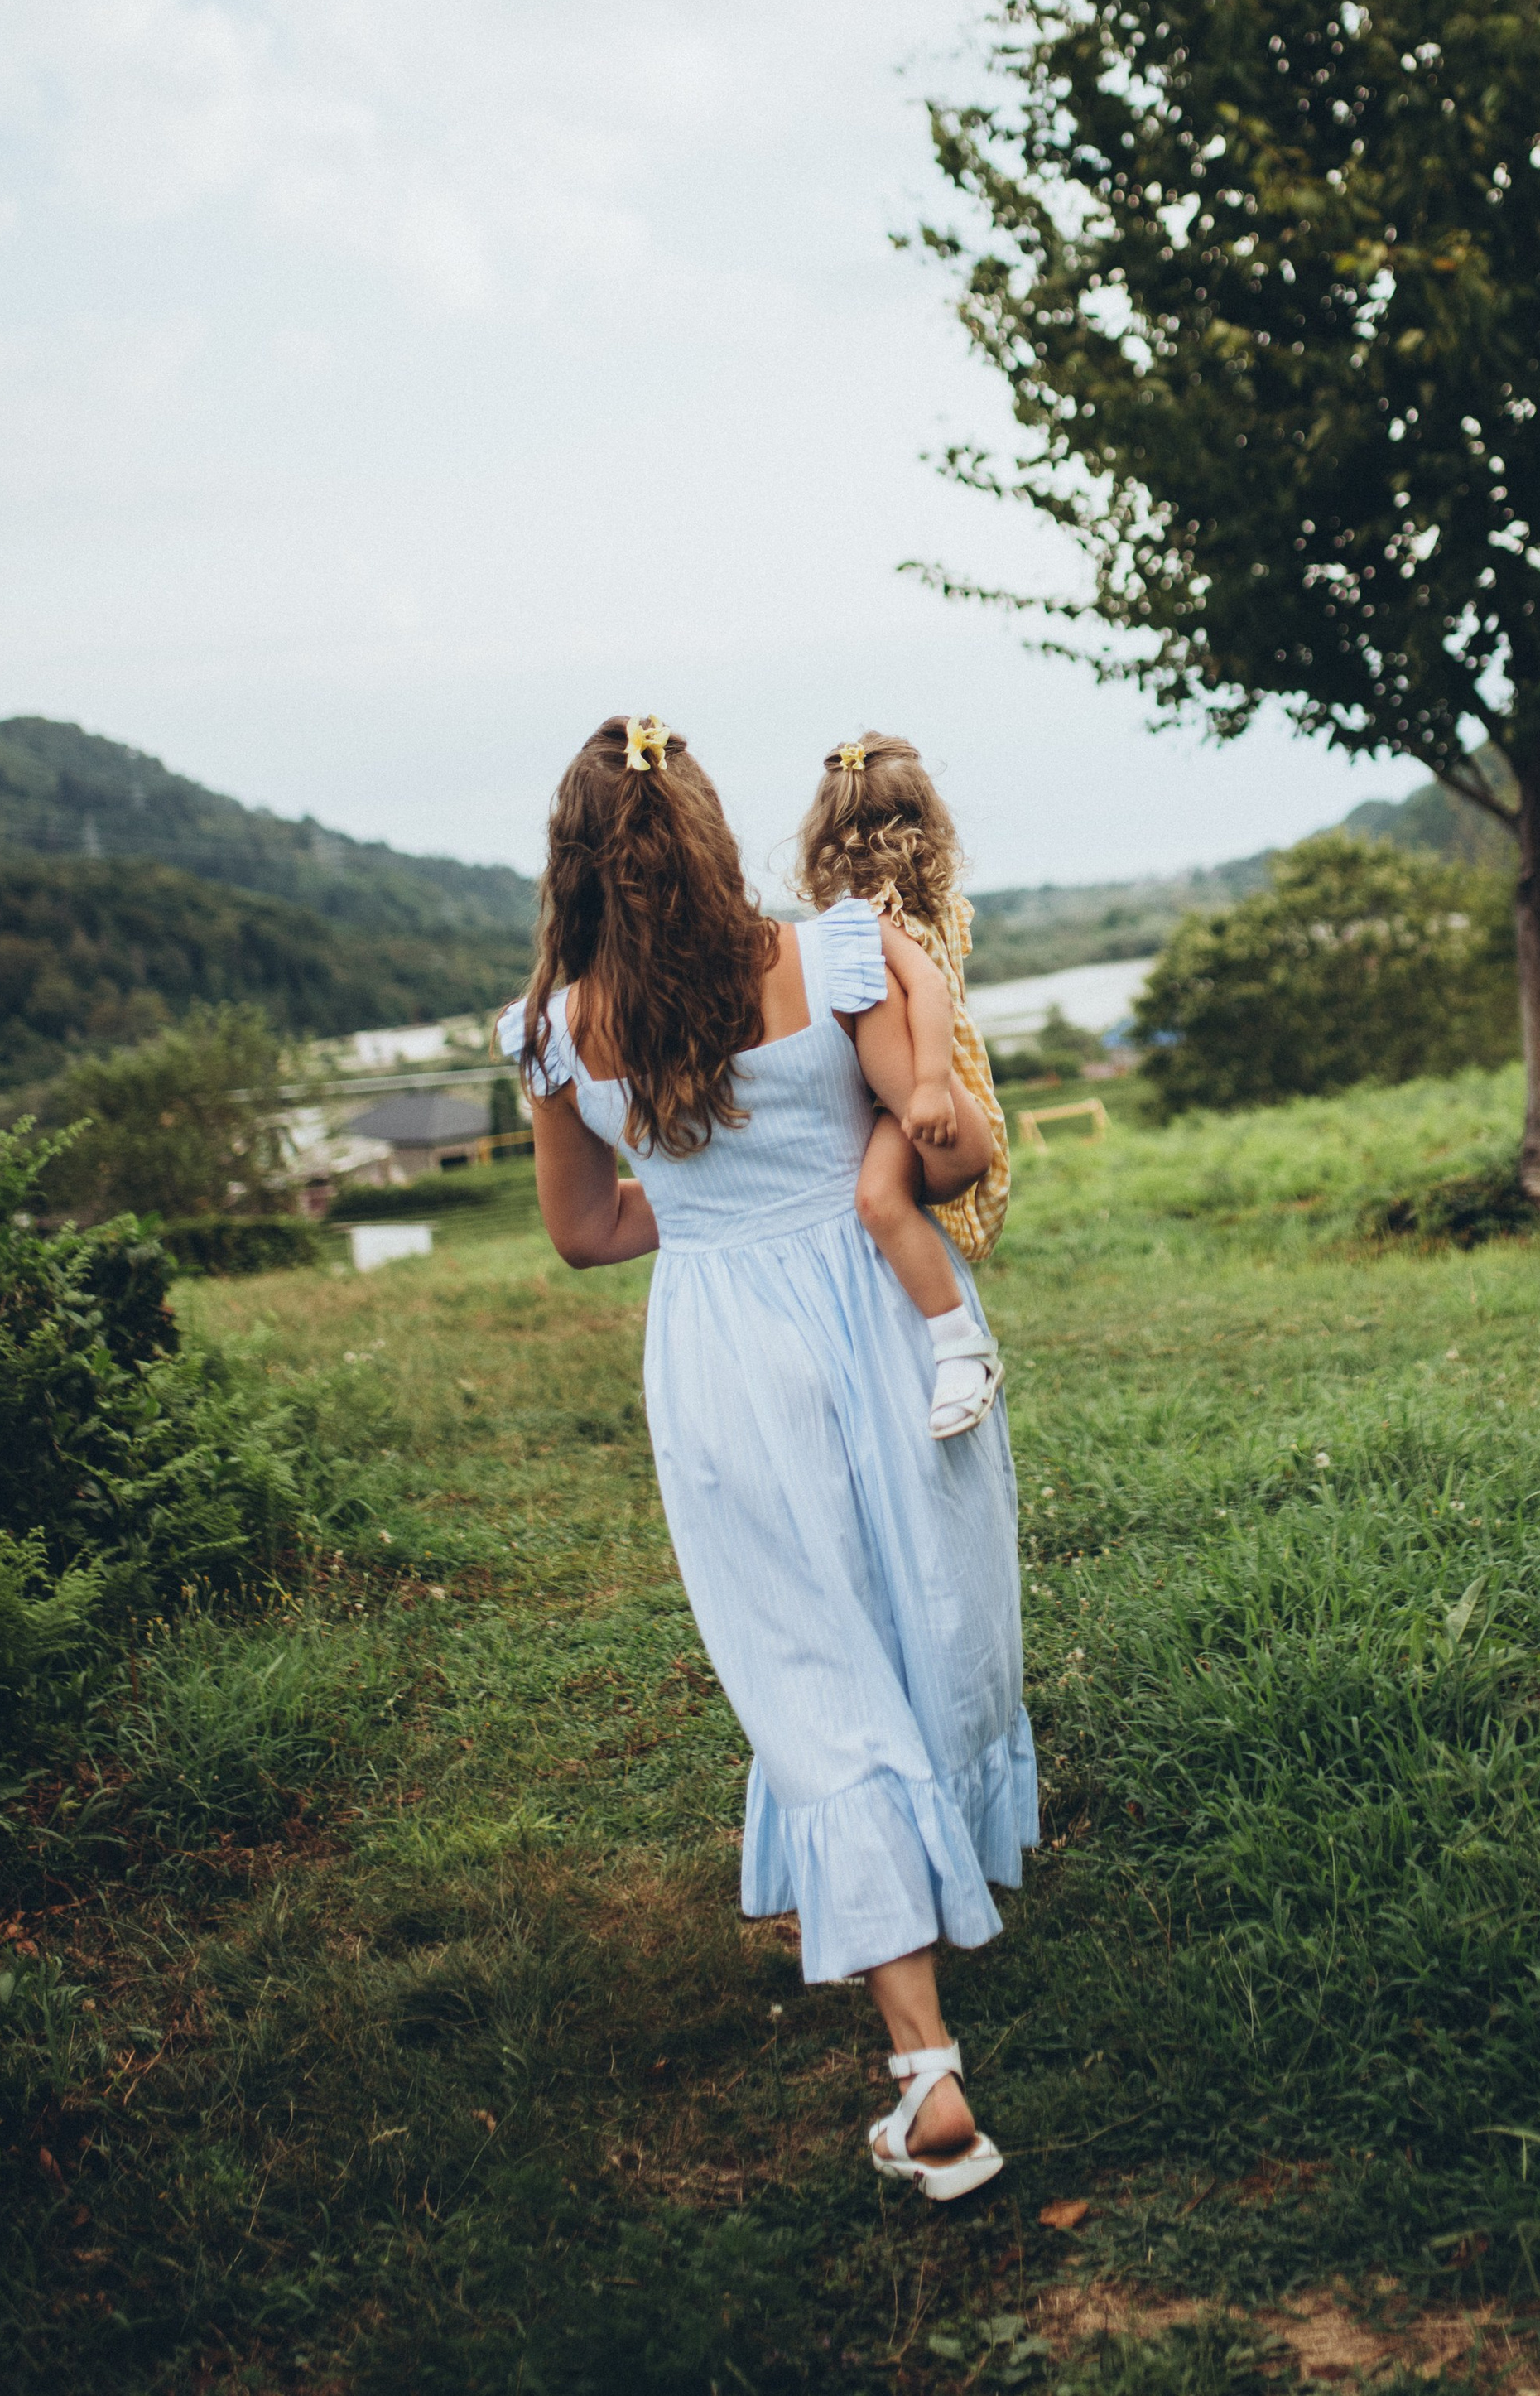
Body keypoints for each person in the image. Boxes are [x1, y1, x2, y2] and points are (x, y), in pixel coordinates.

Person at [500, 713, 1034, 2201]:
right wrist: (859, 1161)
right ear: (714, 834)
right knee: (933, 1603)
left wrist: (711, 1211)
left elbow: (585, 1230)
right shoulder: (839, 956)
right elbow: (951, 1148)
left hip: (722, 1358)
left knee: (808, 1668)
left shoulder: (553, 1036)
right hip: (886, 1320)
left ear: (573, 867)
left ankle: (925, 2068)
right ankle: (948, 1878)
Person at [795, 733, 1011, 1441]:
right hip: (934, 1076)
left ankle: (961, 1345)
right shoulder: (931, 905)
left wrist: (926, 1087)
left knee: (878, 1200)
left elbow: (928, 991)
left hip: (922, 1085)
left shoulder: (870, 915)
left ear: (829, 837)